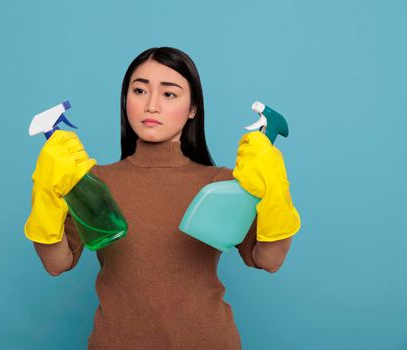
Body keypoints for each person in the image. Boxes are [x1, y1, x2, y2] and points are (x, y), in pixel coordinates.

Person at [24, 47, 300, 349]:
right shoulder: (93, 184)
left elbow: (269, 260)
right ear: (125, 100)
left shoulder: (221, 183)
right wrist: (48, 195)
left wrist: (274, 189)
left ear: (193, 108)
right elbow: (57, 263)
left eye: (169, 94)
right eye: (140, 90)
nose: (151, 105)